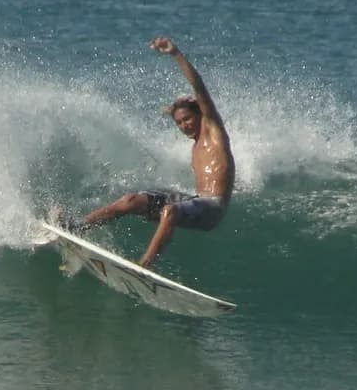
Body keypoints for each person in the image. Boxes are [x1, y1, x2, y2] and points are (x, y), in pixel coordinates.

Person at [69, 37, 235, 269]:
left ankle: (144, 266)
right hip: (197, 201)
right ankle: (78, 227)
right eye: (179, 123)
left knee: (170, 211)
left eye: (187, 119)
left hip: (212, 209)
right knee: (130, 201)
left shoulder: (213, 132)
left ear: (200, 114)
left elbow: (199, 87)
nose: (184, 125)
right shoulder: (195, 146)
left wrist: (175, 53)